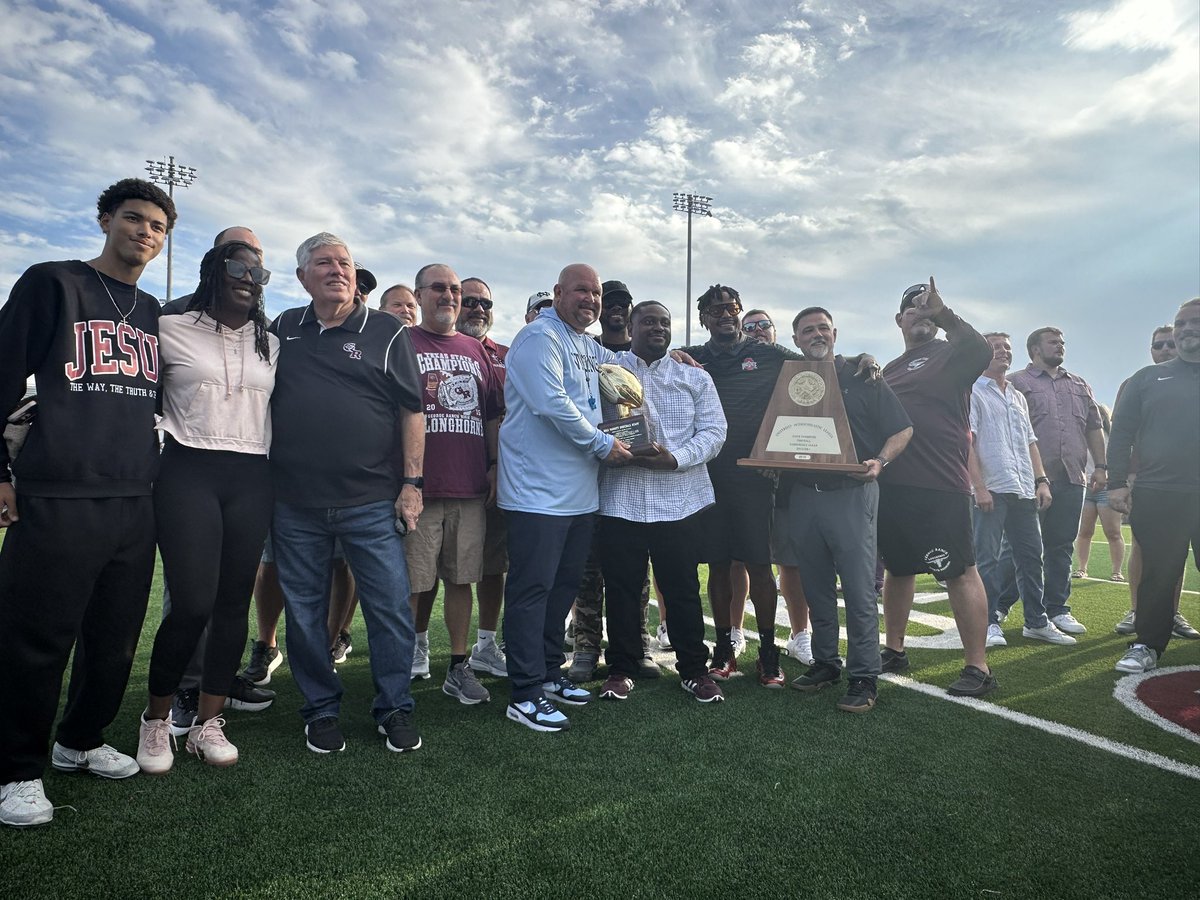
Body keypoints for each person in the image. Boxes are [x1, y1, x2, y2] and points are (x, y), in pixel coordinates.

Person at [0, 178, 176, 827]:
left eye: (158, 226)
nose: (146, 233)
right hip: (59, 492)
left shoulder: (156, 312)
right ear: (106, 219)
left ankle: (79, 740)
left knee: (113, 640)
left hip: (136, 496)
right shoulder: (53, 283)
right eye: (134, 219)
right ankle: (16, 768)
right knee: (35, 639)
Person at [268, 232, 425, 754]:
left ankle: (394, 707)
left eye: (345, 263)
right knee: (306, 614)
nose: (337, 270)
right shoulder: (283, 328)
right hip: (295, 503)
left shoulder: (385, 331)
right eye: (323, 262)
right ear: (301, 277)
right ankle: (319, 709)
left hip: (371, 502)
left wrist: (412, 485)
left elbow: (411, 412)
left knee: (389, 611)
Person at [134, 240, 279, 774]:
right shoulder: (171, 328)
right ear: (212, 271)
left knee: (231, 606)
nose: (249, 276)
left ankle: (208, 724)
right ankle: (156, 720)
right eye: (237, 267)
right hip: (187, 469)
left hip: (251, 474)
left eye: (258, 271)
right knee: (192, 603)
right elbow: (139, 401)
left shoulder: (271, 343)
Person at [498, 263, 634, 732]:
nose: (591, 300)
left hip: (579, 495)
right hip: (536, 494)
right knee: (531, 592)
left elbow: (622, 380)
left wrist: (676, 359)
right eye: (581, 291)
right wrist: (601, 445)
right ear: (558, 293)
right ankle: (524, 692)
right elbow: (551, 402)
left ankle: (549, 674)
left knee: (561, 591)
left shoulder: (587, 345)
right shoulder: (541, 337)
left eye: (595, 293)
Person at [596, 301, 728, 703]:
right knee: (621, 589)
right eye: (648, 321)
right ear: (630, 327)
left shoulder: (693, 375)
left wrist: (674, 459)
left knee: (682, 588)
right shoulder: (605, 367)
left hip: (679, 501)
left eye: (664, 323)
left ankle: (693, 670)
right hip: (621, 499)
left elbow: (714, 431)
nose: (657, 327)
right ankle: (621, 667)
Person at [781, 307, 912, 712]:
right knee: (815, 585)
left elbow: (902, 427)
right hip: (803, 494)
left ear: (835, 333)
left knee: (857, 589)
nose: (816, 334)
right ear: (797, 339)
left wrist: (882, 461)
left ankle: (864, 675)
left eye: (823, 327)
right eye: (807, 330)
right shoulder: (790, 378)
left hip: (852, 491)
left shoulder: (862, 374)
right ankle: (825, 662)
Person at [878, 278, 997, 697]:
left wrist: (944, 314)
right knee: (898, 567)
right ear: (899, 319)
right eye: (913, 306)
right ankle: (894, 649)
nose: (921, 312)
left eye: (927, 306)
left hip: (940, 484)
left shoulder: (951, 354)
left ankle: (977, 666)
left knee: (959, 571)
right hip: (893, 483)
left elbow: (982, 350)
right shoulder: (889, 369)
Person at [680, 285, 802, 687]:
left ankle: (768, 654)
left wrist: (861, 359)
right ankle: (724, 649)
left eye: (731, 308)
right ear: (704, 319)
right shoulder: (693, 357)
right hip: (708, 475)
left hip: (754, 476)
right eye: (715, 311)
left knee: (759, 566)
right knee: (717, 565)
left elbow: (816, 367)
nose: (725, 315)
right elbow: (648, 359)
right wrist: (672, 355)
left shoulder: (766, 353)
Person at [405, 265, 504, 705]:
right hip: (420, 488)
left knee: (462, 580)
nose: (449, 296)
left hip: (468, 488)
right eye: (439, 289)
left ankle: (459, 666)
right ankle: (406, 656)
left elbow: (491, 415)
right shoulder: (401, 343)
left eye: (455, 290)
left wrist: (496, 464)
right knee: (414, 582)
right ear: (419, 294)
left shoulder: (474, 349)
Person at [569, 278, 657, 683]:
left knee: (633, 574)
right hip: (591, 476)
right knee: (588, 571)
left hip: (632, 484)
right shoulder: (586, 351)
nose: (617, 309)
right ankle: (585, 646)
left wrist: (686, 358)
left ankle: (636, 645)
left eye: (624, 302)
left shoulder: (642, 355)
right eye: (611, 302)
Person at [1108, 299, 1200, 672]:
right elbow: (1121, 433)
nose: (1185, 329)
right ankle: (1146, 643)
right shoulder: (1147, 378)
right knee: (1159, 574)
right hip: (1160, 492)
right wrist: (1116, 483)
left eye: (1195, 322)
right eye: (1181, 323)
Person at [968, 333, 1075, 648]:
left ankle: (1036, 621)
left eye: (1006, 348)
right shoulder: (972, 392)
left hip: (1023, 487)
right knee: (987, 559)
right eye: (995, 347)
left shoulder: (1016, 395)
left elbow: (1030, 442)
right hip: (992, 488)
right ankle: (987, 623)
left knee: (1031, 556)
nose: (1003, 352)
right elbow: (967, 442)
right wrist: (979, 487)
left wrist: (1041, 480)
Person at [1008, 326, 1107, 635]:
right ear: (1034, 349)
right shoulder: (1015, 383)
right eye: (1053, 342)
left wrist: (1102, 466)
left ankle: (1058, 609)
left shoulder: (1079, 384)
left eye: (1062, 342)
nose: (1060, 346)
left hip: (1072, 476)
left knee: (1061, 545)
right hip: (1027, 478)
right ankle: (1000, 607)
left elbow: (1094, 427)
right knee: (1019, 547)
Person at [456, 277, 511, 678]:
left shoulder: (507, 355)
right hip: (441, 478)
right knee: (427, 572)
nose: (478, 309)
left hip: (491, 481)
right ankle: (418, 645)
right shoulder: (419, 345)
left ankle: (486, 646)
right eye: (469, 301)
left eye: (485, 304)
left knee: (493, 566)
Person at [1072, 404, 1125, 581]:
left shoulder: (1112, 439)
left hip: (1106, 488)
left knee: (1113, 532)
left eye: (1100, 415)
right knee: (1084, 532)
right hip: (1085, 487)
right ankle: (1081, 568)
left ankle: (1116, 571)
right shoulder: (1080, 438)